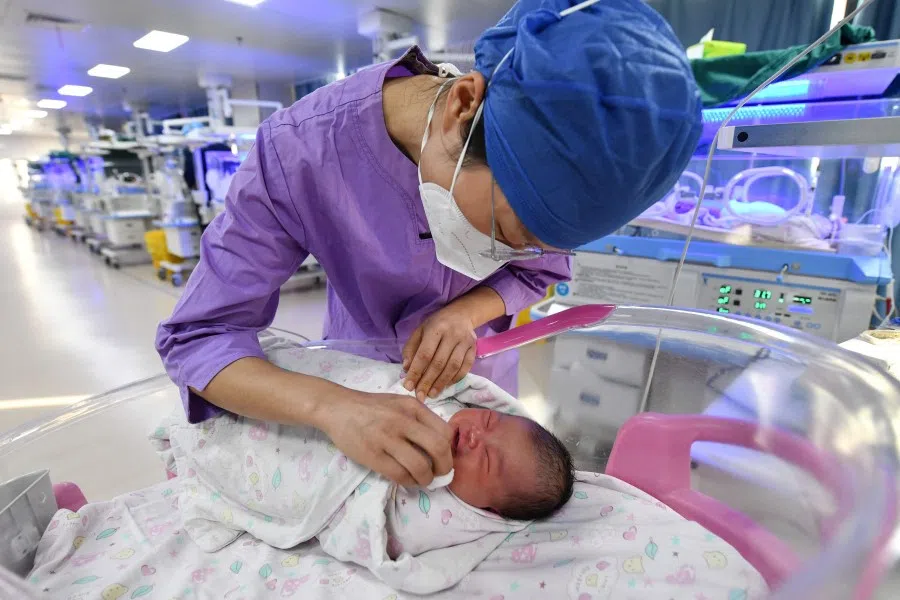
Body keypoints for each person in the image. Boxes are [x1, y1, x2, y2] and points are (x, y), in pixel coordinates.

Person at [155, 0, 702, 491]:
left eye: (533, 243)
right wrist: (333, 408)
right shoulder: (299, 153)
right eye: (506, 231)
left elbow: (542, 269)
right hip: (358, 374)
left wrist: (467, 313)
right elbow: (201, 336)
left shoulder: (540, 198)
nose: (504, 253)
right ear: (464, 104)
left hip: (477, 367)